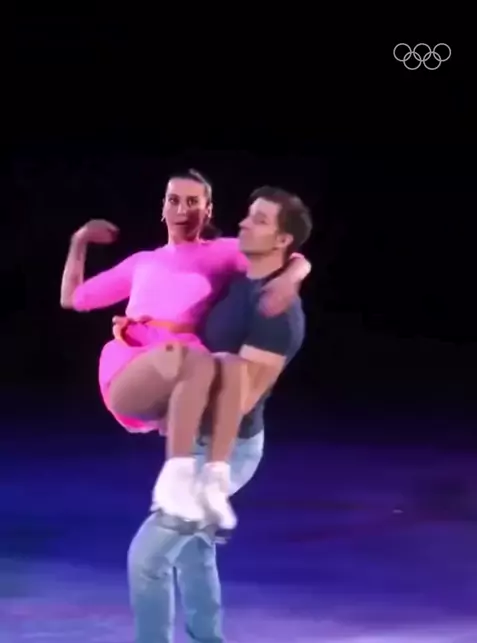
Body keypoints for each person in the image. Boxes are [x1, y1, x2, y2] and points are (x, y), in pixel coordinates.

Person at [102, 186, 311, 643]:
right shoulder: (244, 278)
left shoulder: (277, 317)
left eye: (258, 219)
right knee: (193, 553)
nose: (243, 223)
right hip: (195, 437)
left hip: (230, 447)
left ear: (280, 239)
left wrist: (177, 405)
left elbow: (240, 401)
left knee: (148, 558)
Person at [60, 170, 311, 528]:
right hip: (133, 361)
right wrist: (80, 240)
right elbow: (73, 298)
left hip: (186, 361)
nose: (182, 209)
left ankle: (214, 482)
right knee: (189, 359)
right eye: (174, 200)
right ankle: (175, 479)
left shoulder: (221, 253)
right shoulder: (143, 261)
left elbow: (289, 255)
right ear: (163, 208)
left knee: (230, 366)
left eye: (193, 202)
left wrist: (290, 279)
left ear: (208, 211)